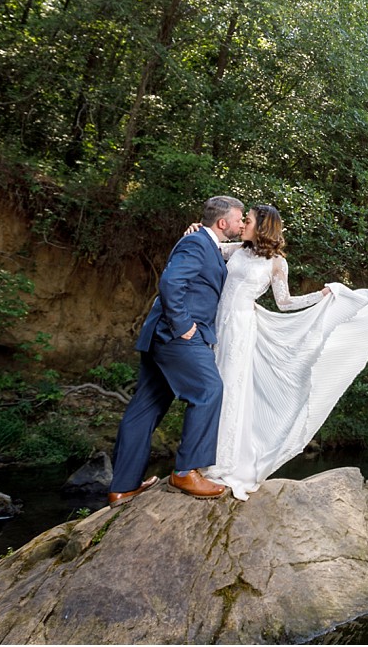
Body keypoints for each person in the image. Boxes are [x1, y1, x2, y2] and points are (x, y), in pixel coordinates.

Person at [206, 203, 368, 500]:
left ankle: (222, 463)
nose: (242, 224)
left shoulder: (276, 263)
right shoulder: (238, 249)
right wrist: (196, 230)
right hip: (218, 323)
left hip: (241, 328)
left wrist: (322, 295)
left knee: (230, 390)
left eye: (247, 220)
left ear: (262, 226)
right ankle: (204, 455)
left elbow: (285, 303)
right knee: (211, 389)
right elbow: (210, 244)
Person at [106, 195, 245, 506]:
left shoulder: (206, 242)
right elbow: (171, 282)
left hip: (162, 336)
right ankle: (185, 472)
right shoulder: (197, 243)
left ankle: (123, 487)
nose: (241, 223)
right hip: (178, 336)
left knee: (145, 408)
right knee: (209, 389)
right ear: (222, 222)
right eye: (239, 219)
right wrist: (183, 325)